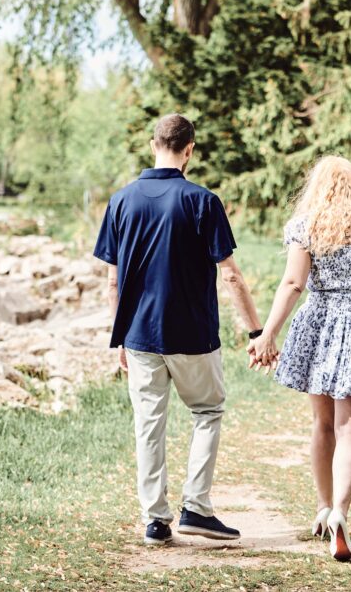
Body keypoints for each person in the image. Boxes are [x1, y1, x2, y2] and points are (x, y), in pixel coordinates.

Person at [93, 114, 266, 547]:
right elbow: (231, 275)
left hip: (139, 334)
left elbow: (112, 282)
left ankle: (155, 521)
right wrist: (256, 331)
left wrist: (119, 337)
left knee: (148, 424)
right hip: (193, 334)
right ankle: (196, 508)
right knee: (207, 412)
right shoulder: (203, 201)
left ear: (153, 145)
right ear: (189, 149)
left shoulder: (121, 201)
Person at [248, 155, 351, 562]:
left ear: (316, 186)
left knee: (322, 424)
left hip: (318, 325)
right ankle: (340, 514)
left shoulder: (306, 226)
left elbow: (293, 283)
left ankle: (322, 506)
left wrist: (267, 333)